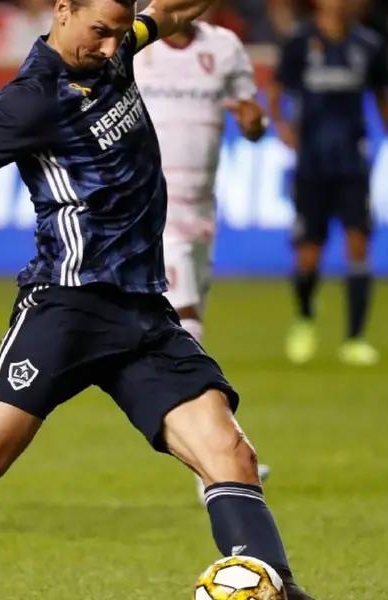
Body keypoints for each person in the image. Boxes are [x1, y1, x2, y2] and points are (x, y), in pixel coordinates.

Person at [0, 0, 315, 595]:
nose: (108, 47)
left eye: (119, 34)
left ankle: (277, 589)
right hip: (68, 305)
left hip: (144, 308)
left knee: (231, 456)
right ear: (63, 10)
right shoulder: (33, 97)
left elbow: (172, 12)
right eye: (99, 31)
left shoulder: (116, 46)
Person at [133, 16, 270, 491]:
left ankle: (209, 455)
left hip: (201, 209)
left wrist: (256, 123)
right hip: (150, 205)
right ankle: (214, 461)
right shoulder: (133, 45)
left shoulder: (225, 47)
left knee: (191, 324)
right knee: (182, 316)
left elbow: (251, 115)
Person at [268, 0, 388, 367]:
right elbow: (275, 95)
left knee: (358, 244)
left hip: (353, 163)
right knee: (308, 253)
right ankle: (305, 318)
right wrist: (283, 130)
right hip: (312, 164)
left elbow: (383, 100)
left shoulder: (369, 45)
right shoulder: (299, 42)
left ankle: (355, 338)